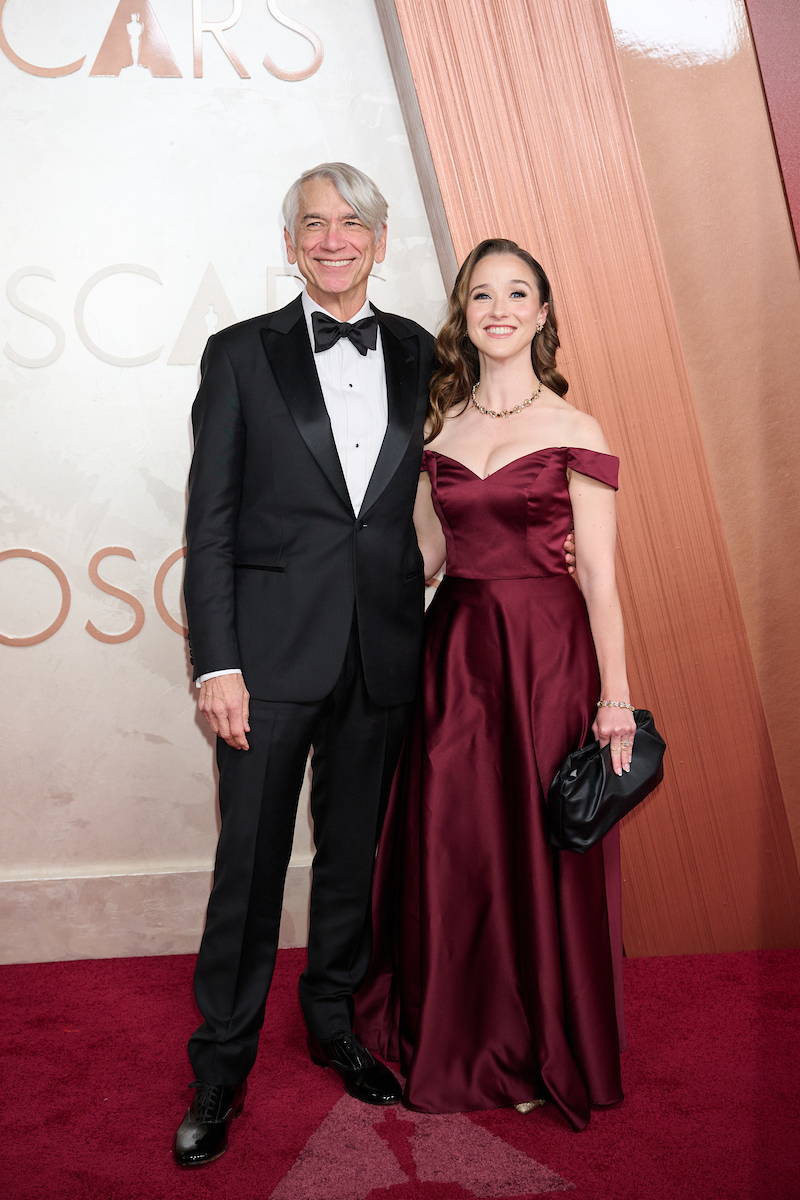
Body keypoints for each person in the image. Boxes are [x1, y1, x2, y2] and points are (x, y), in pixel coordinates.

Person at [174, 163, 439, 1167]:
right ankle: (221, 1064)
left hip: (381, 649)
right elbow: (210, 523)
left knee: (352, 859)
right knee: (247, 869)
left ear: (380, 240)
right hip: (268, 660)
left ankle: (334, 1020)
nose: (334, 239)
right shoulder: (240, 353)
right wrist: (218, 664)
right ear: (290, 245)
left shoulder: (419, 350)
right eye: (314, 225)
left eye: (352, 223)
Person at [355, 238, 636, 1132]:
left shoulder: (578, 429)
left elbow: (600, 576)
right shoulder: (439, 431)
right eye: (483, 295)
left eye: (519, 294)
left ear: (543, 314)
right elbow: (426, 559)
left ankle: (537, 1044)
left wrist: (615, 697)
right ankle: (472, 1037)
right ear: (463, 314)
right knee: (464, 846)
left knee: (536, 848)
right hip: (459, 657)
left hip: (549, 657)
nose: (500, 309)